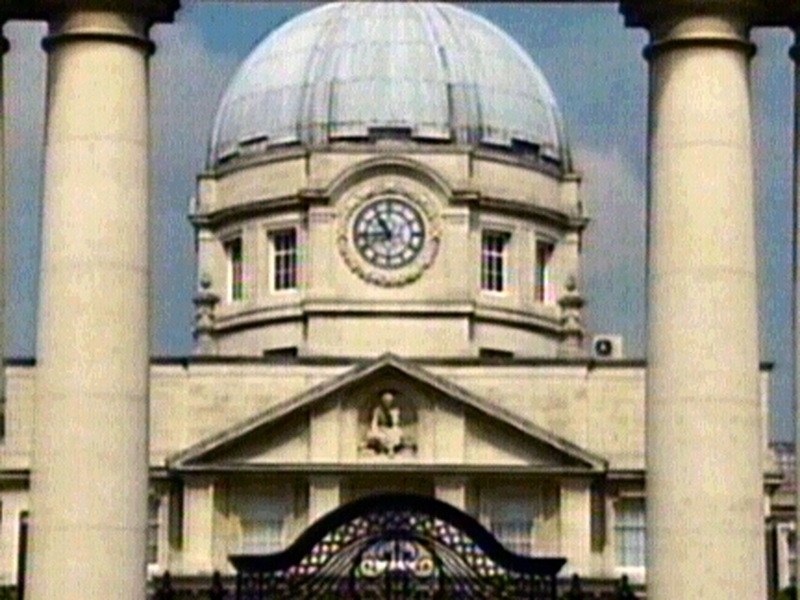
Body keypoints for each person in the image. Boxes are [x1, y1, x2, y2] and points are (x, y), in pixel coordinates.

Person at [366, 391, 404, 456]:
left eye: (389, 401)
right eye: (386, 401)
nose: (387, 403)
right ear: (383, 401)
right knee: (377, 435)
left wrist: (394, 416)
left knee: (396, 433)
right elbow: (374, 422)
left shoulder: (395, 410)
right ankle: (381, 450)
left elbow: (395, 423)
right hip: (381, 429)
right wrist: (374, 429)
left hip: (391, 429)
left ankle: (390, 450)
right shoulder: (377, 410)